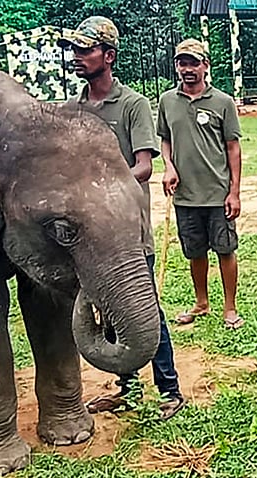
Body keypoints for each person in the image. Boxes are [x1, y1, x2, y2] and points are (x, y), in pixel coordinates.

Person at [58, 16, 185, 420]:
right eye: (75, 50)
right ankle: (129, 389)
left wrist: (95, 197)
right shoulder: (73, 109)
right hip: (88, 235)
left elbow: (143, 167)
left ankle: (169, 389)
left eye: (86, 50)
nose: (77, 57)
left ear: (108, 56)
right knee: (108, 309)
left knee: (143, 308)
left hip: (127, 231)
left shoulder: (133, 105)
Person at [158, 39, 244, 330]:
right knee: (194, 251)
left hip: (218, 194)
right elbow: (165, 139)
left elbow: (233, 148)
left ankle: (230, 308)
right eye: (182, 63)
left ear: (205, 66)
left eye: (193, 63)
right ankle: (201, 303)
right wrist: (168, 166)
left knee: (225, 249)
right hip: (184, 195)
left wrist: (234, 192)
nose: (188, 69)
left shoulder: (223, 102)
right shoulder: (167, 101)